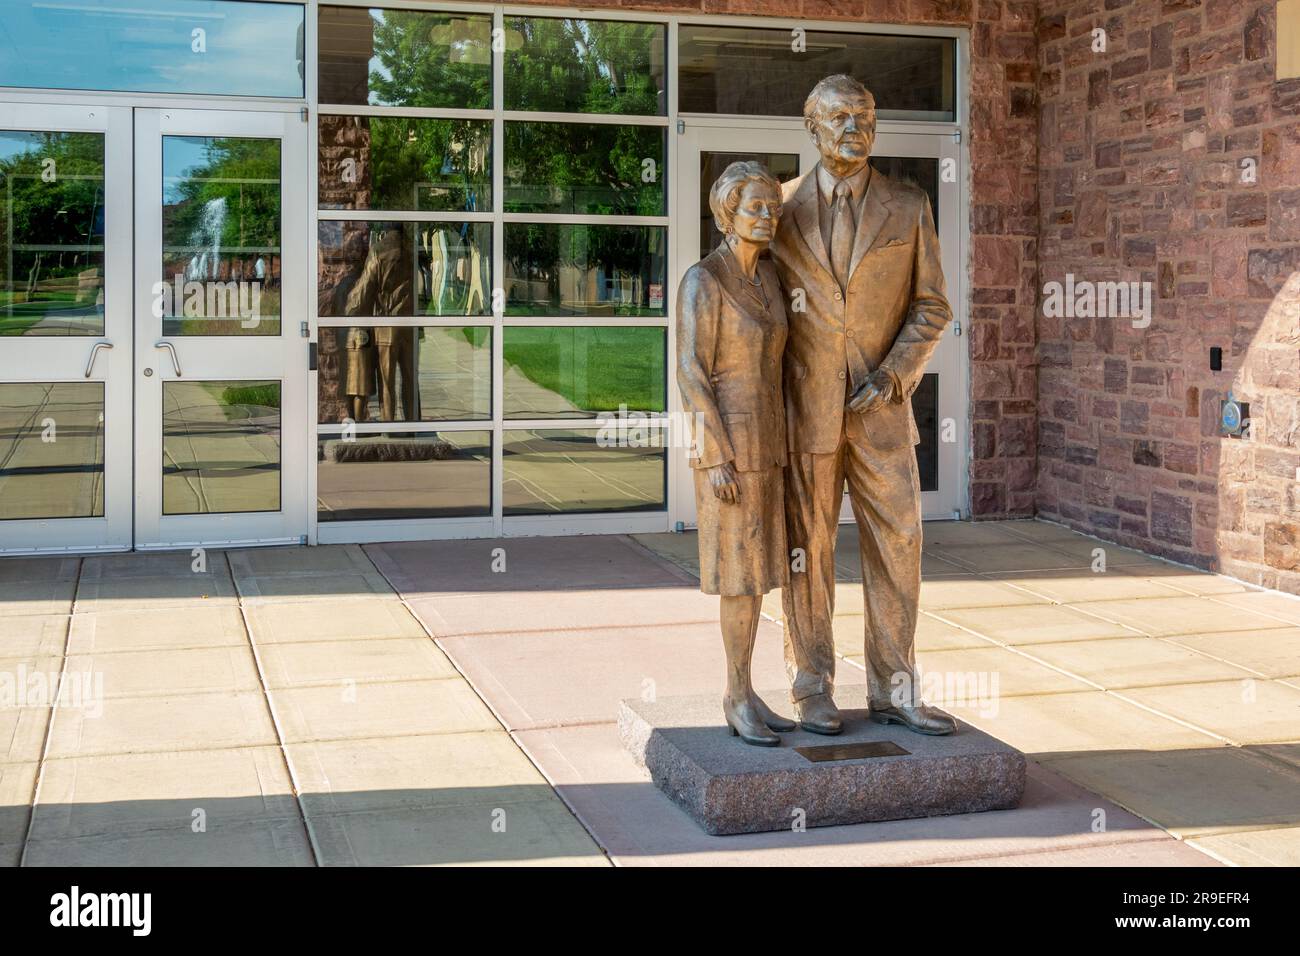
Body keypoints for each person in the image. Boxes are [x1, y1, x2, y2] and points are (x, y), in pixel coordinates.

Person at [770, 74, 956, 736]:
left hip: (881, 410)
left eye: (866, 117)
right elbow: (752, 303)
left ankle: (895, 686)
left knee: (900, 544)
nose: (856, 127)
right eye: (842, 117)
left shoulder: (907, 206)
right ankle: (810, 684)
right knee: (806, 550)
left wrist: (896, 373)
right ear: (812, 126)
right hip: (806, 413)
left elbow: (933, 305)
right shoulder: (780, 209)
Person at [676, 161, 795, 747]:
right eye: (755, 207)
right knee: (737, 580)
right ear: (728, 213)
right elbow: (691, 373)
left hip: (769, 446)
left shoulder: (769, 280)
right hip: (728, 452)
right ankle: (734, 692)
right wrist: (715, 456)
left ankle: (749, 690)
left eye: (773, 206)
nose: (768, 216)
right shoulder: (705, 280)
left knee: (760, 577)